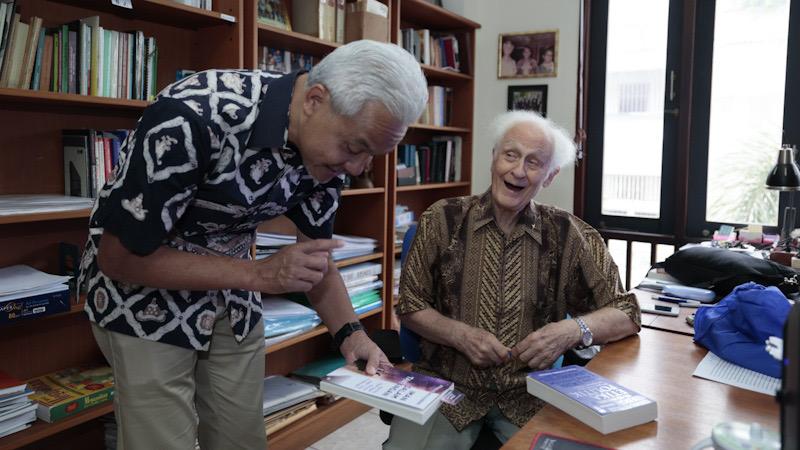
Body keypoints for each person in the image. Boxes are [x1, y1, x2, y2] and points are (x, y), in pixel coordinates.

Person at [78, 40, 428, 450]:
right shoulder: (190, 115)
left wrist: (352, 335)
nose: (356, 167)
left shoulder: (330, 154)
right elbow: (119, 257)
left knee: (241, 437)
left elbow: (316, 260)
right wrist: (259, 274)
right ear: (314, 100)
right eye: (354, 147)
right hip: (143, 295)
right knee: (160, 439)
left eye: (372, 156)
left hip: (233, 290)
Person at [383, 111, 641, 449]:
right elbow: (410, 306)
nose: (518, 171)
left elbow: (627, 312)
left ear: (549, 176)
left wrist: (571, 330)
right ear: (494, 157)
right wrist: (460, 335)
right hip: (446, 386)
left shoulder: (570, 235)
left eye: (534, 163)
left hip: (532, 393)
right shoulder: (441, 219)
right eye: (510, 155)